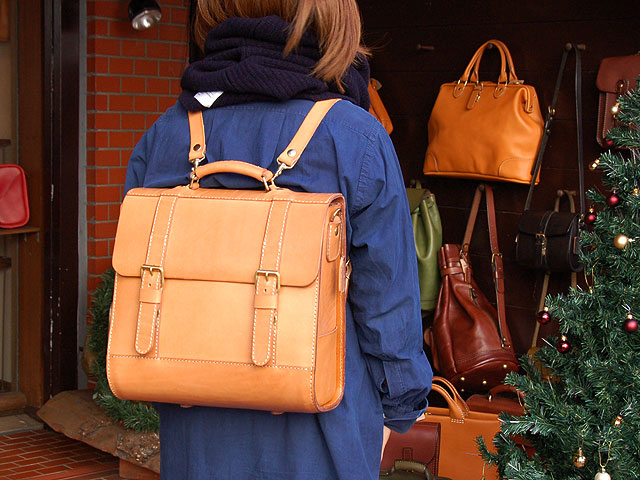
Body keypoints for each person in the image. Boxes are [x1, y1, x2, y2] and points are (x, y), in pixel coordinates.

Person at [124, 1, 432, 478]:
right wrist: (401, 407)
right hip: (321, 423)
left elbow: (140, 279)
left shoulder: (166, 133)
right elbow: (386, 301)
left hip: (194, 418)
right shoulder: (353, 136)